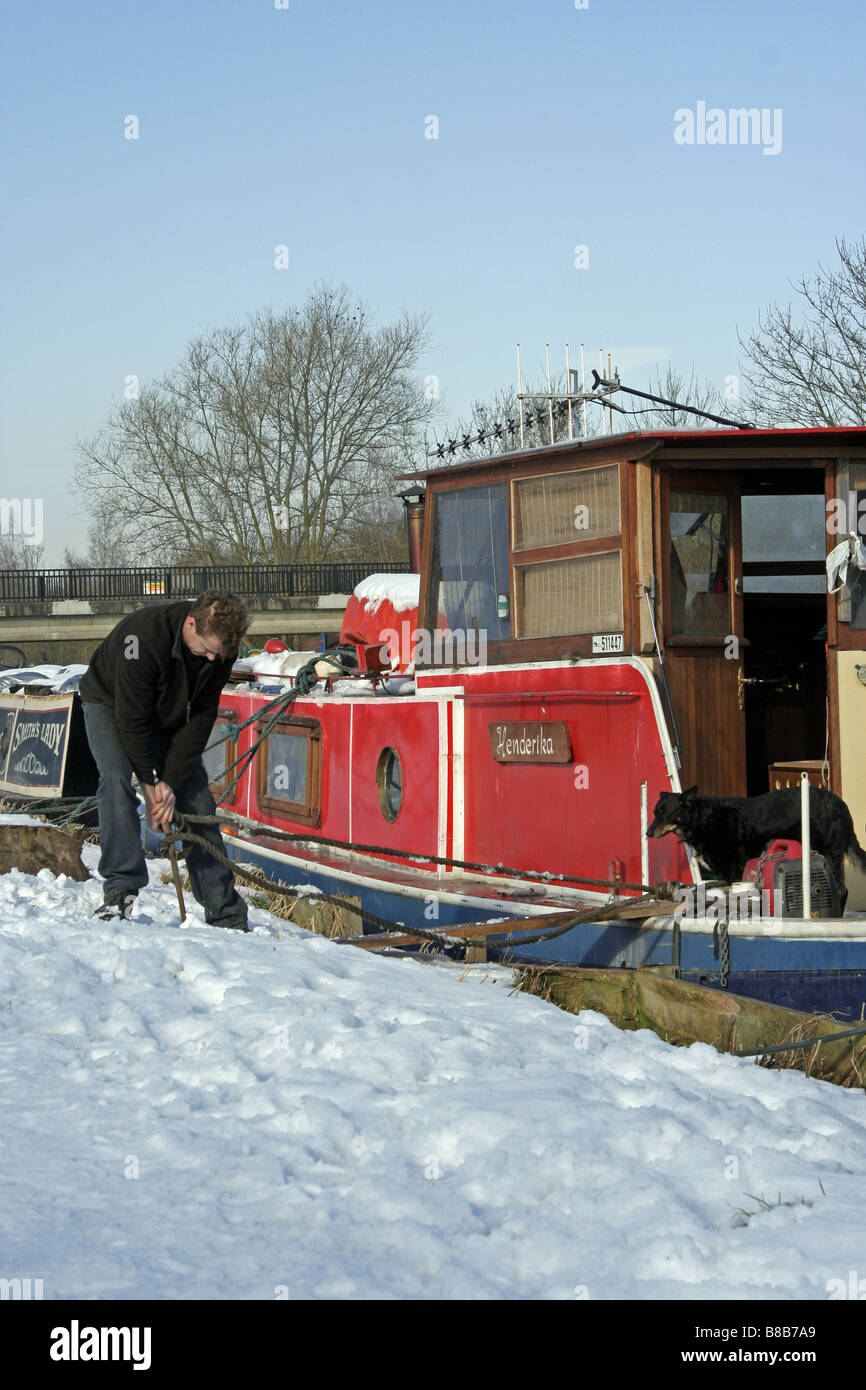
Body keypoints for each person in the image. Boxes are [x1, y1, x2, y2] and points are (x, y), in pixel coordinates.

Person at [79, 589, 251, 927]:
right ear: (191, 624)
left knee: (199, 803)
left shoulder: (222, 650)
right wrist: (151, 787)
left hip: (168, 715)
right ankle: (120, 891)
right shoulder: (142, 637)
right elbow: (131, 720)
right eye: (207, 650)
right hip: (110, 703)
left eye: (220, 654)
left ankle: (225, 912)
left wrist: (170, 782)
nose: (213, 660)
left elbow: (202, 717)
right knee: (115, 781)